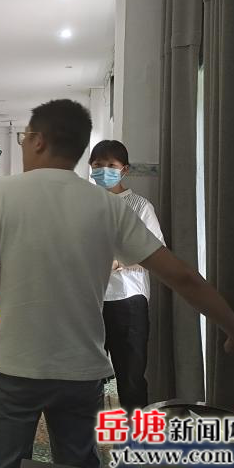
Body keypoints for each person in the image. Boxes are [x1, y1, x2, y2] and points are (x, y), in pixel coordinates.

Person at [0, 99, 234, 468]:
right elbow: (181, 276)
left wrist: (3, 291)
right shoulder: (107, 205)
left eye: (24, 138)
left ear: (38, 140)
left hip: (13, 366)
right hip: (80, 370)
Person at [89, 139, 163, 412]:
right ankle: (88, 433)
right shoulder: (84, 205)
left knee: (131, 376)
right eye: (98, 165)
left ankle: (136, 433)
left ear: (125, 170)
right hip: (89, 301)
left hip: (127, 301)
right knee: (87, 377)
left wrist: (118, 263)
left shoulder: (140, 206)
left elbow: (156, 252)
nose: (104, 170)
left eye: (111, 165)